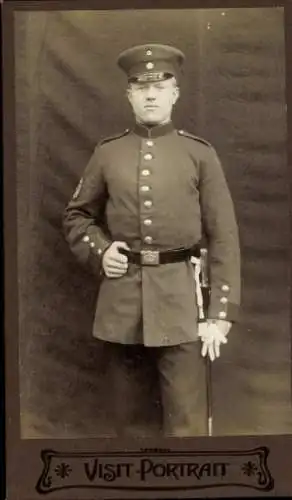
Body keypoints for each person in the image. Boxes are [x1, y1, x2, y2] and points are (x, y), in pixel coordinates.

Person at [63, 43, 241, 437]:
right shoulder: (108, 154)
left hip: (182, 306)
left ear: (174, 94)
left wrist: (220, 313)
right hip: (121, 306)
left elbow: (223, 235)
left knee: (186, 424)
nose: (150, 94)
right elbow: (76, 216)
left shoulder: (200, 155)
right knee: (130, 426)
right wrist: (101, 249)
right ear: (129, 95)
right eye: (140, 87)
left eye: (159, 87)